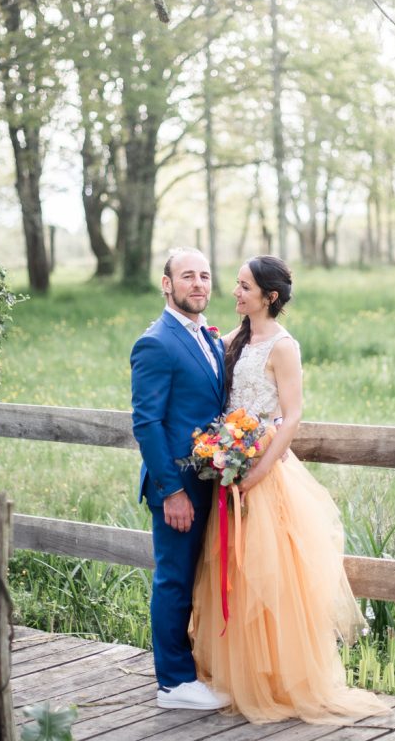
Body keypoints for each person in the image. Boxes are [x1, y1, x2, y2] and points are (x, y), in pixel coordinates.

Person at [191, 255, 389, 724]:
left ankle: (276, 680)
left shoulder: (283, 346)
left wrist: (257, 472)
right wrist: (223, 456)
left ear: (270, 296)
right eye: (237, 284)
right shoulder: (233, 340)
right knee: (232, 569)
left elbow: (293, 416)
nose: (236, 292)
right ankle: (236, 675)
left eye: (245, 287)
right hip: (230, 465)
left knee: (268, 573)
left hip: (265, 470)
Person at [130, 247, 230, 711]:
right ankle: (172, 683)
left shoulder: (208, 336)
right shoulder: (156, 342)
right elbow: (147, 423)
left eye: (204, 276)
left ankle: (196, 667)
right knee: (173, 580)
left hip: (210, 481)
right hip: (178, 485)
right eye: (187, 276)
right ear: (166, 284)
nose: (198, 284)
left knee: (199, 578)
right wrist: (171, 490)